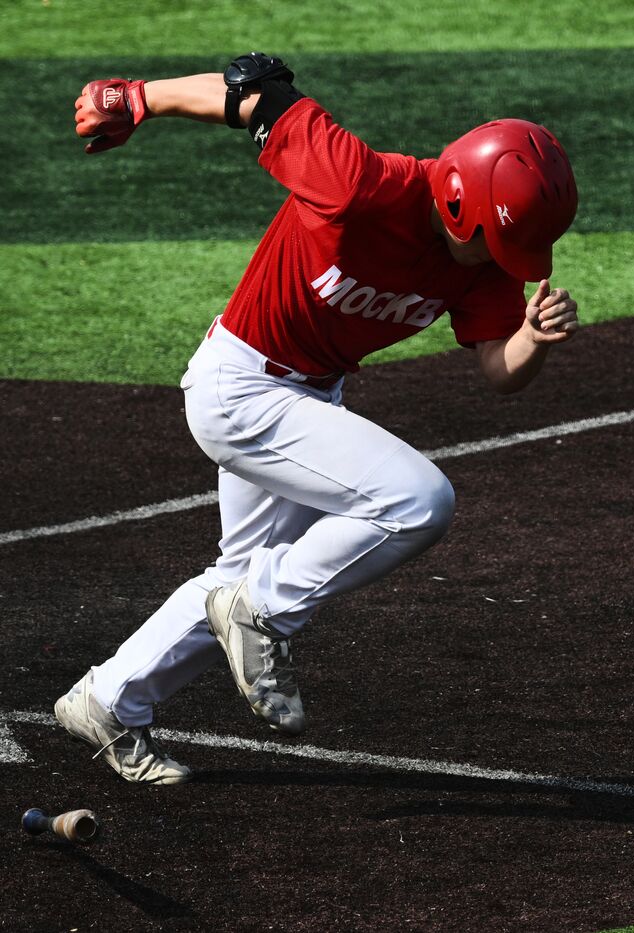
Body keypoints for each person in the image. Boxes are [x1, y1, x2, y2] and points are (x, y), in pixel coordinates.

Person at [53, 54, 580, 784]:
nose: (505, 259)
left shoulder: (482, 260)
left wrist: (533, 338)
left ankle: (108, 699)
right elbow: (250, 95)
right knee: (417, 500)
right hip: (239, 387)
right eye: (499, 239)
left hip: (306, 397)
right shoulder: (358, 181)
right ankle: (266, 610)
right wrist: (135, 98)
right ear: (459, 201)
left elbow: (498, 371)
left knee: (237, 576)